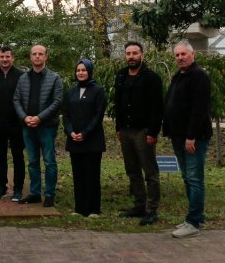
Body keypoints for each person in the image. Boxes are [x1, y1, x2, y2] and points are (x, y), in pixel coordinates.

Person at [164, 41, 212, 238]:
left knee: (194, 178)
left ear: (193, 54)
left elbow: (199, 110)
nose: (180, 58)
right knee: (187, 177)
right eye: (177, 55)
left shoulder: (199, 76)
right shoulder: (179, 76)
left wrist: (191, 136)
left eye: (183, 54)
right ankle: (196, 217)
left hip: (193, 138)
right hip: (178, 136)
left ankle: (193, 222)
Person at [114, 41, 164, 226]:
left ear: (142, 55)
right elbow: (117, 103)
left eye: (135, 53)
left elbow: (157, 108)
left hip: (144, 132)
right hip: (125, 132)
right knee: (132, 170)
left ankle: (152, 210)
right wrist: (118, 127)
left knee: (150, 172)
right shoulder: (121, 76)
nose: (131, 57)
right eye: (128, 53)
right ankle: (139, 205)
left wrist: (153, 132)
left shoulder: (152, 78)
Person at [13, 45, 62, 207]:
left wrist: (39, 118)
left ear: (46, 57)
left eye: (40, 54)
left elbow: (57, 102)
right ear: (30, 57)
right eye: (34, 54)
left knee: (49, 161)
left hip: (46, 126)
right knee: (32, 161)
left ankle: (49, 194)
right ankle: (35, 193)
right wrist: (25, 117)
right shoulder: (23, 78)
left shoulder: (55, 78)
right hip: (27, 126)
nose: (37, 57)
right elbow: (16, 100)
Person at [63, 59, 106, 217]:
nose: (80, 73)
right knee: (78, 174)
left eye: (84, 70)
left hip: (92, 140)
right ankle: (80, 208)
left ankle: (94, 209)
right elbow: (66, 115)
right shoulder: (71, 92)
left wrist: (85, 133)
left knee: (92, 174)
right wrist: (70, 132)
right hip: (74, 140)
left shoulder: (98, 90)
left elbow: (98, 116)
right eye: (78, 70)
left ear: (90, 71)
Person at [0, 46, 25, 202]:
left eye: (7, 57)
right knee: (0, 157)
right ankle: (1, 187)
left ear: (13, 58)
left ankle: (18, 189)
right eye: (2, 56)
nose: (4, 59)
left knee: (18, 156)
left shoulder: (21, 76)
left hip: (16, 123)